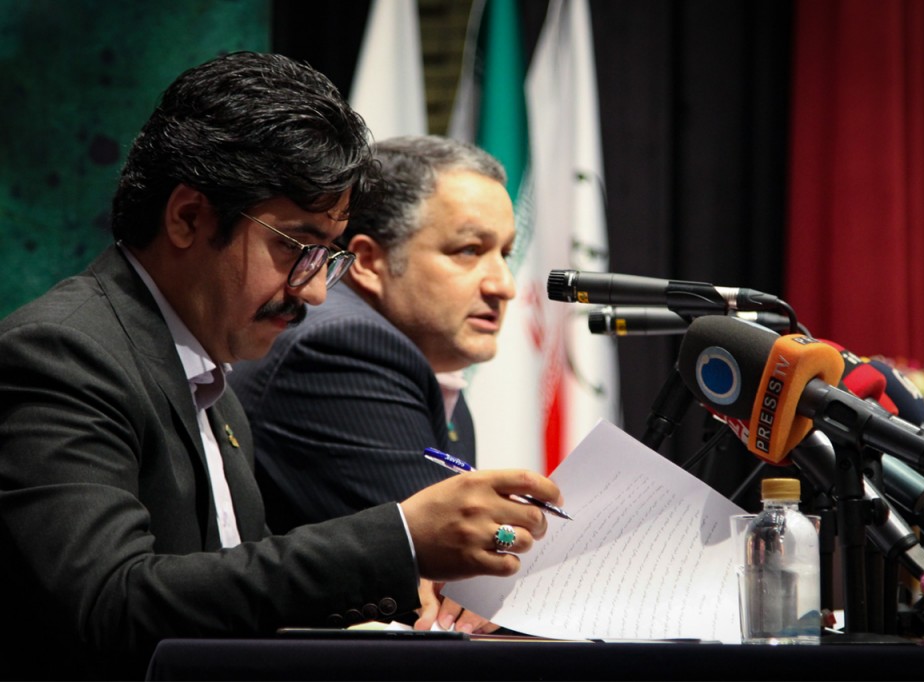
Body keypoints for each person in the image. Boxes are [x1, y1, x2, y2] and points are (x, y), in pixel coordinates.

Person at [0, 52, 560, 681]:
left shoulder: (210, 378)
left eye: (328, 256)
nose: (315, 291)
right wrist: (399, 537)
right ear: (188, 217)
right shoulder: (62, 353)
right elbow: (111, 602)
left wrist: (380, 602)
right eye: (298, 247)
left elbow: (230, 594)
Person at [230, 135, 515, 532]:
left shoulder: (434, 372)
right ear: (368, 261)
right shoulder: (342, 348)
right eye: (468, 250)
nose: (504, 286)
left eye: (506, 254)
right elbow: (450, 555)